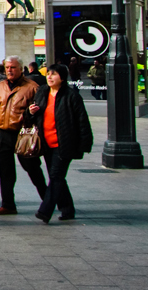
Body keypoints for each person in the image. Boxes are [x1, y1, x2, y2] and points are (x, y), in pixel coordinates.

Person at [28, 64, 92, 223]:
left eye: (54, 74)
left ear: (62, 78)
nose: (49, 77)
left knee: (56, 177)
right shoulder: (43, 92)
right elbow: (33, 116)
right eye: (48, 74)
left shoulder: (71, 96)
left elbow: (82, 121)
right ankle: (67, 209)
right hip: (46, 143)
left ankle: (45, 211)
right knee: (57, 177)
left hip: (64, 144)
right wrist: (30, 112)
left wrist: (84, 144)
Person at [0, 56, 47, 215]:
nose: (9, 70)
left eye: (13, 67)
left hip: (23, 133)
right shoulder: (0, 87)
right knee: (5, 170)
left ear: (21, 69)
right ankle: (7, 204)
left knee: (33, 168)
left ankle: (48, 199)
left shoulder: (32, 87)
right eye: (7, 67)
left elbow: (39, 113)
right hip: (4, 132)